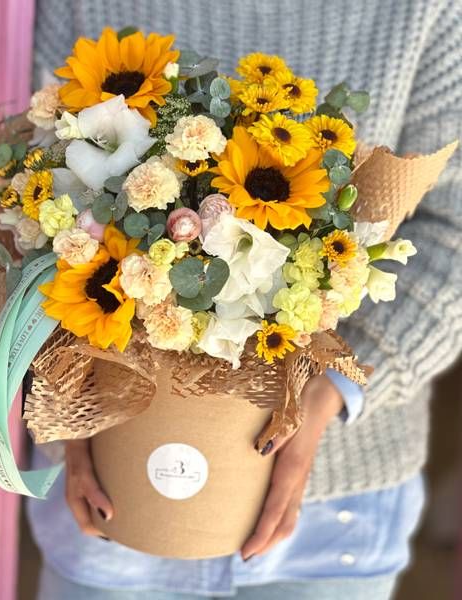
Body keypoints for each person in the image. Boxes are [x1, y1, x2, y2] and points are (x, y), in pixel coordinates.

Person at [27, 0, 462, 598]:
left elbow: (451, 234)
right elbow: (36, 201)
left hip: (332, 520)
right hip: (116, 490)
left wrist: (334, 390)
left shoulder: (425, 11)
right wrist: (72, 412)